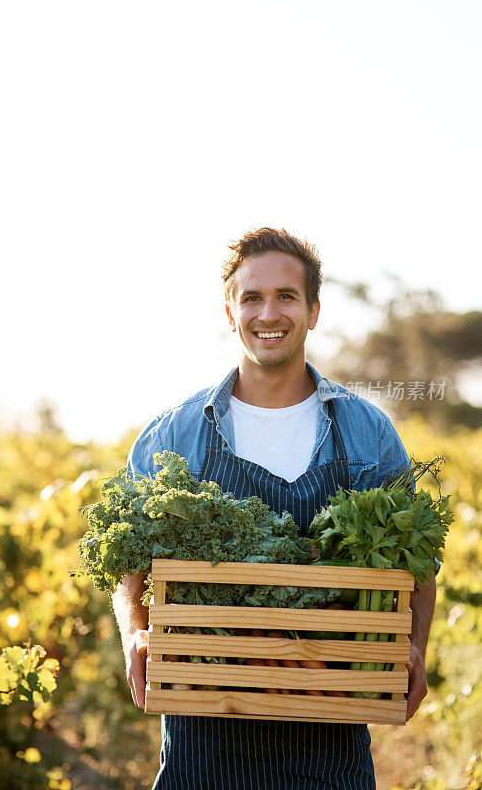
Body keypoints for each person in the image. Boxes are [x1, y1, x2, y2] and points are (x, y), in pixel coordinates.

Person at [112, 227, 436, 790]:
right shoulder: (176, 434)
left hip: (330, 738)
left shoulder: (365, 433)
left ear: (313, 310)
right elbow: (127, 561)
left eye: (286, 296)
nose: (269, 312)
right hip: (201, 743)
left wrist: (413, 647)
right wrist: (136, 633)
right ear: (230, 312)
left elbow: (419, 563)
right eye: (251, 297)